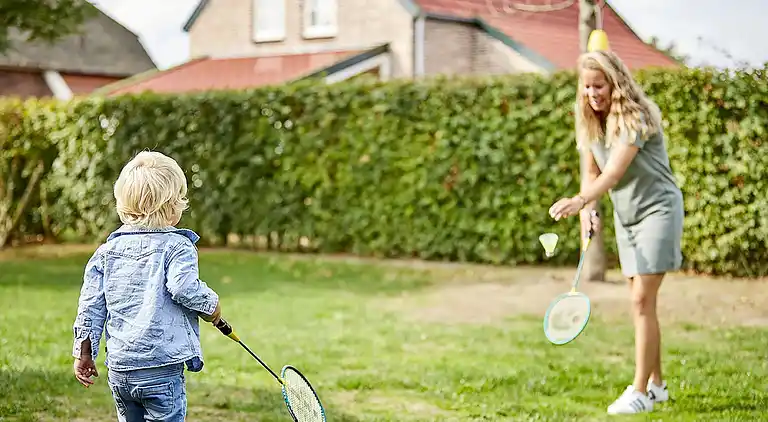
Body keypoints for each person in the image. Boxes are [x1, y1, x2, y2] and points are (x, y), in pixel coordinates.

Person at [548, 50, 684, 415]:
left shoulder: (634, 117)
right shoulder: (590, 120)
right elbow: (591, 173)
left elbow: (613, 175)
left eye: (600, 85)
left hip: (658, 211)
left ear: (615, 83)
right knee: (641, 303)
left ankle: (638, 392)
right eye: (587, 86)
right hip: (628, 218)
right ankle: (657, 386)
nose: (593, 93)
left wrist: (578, 201)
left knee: (642, 300)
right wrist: (587, 211)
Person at [72, 150, 223, 422]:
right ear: (172, 207)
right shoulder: (178, 246)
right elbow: (183, 288)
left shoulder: (107, 251)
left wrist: (84, 353)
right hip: (160, 369)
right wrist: (212, 306)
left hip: (121, 370)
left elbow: (90, 307)